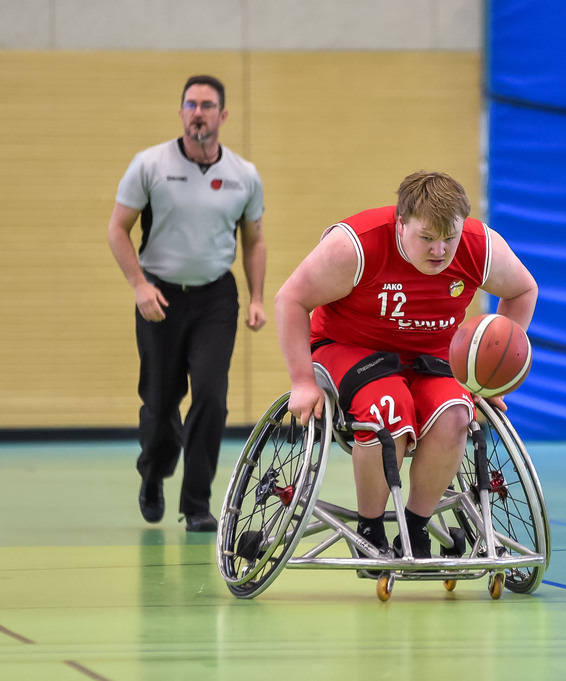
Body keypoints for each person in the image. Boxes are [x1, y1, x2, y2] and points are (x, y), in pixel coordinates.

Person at [275, 171, 537, 558]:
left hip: (432, 355)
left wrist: (487, 378)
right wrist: (301, 381)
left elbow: (522, 289)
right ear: (401, 223)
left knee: (456, 413)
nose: (440, 250)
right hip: (350, 347)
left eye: (450, 238)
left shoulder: (480, 248)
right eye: (427, 238)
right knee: (388, 409)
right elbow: (290, 300)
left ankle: (414, 526)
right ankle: (371, 528)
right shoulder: (355, 247)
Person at [107, 75, 267, 532]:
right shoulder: (150, 165)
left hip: (216, 296)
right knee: (160, 403)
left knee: (212, 398)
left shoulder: (244, 175)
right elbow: (117, 229)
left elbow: (254, 241)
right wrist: (139, 285)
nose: (199, 112)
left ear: (223, 115)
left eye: (208, 105)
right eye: (191, 104)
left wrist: (257, 297)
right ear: (181, 112)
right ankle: (154, 474)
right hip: (160, 294)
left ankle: (196, 504)